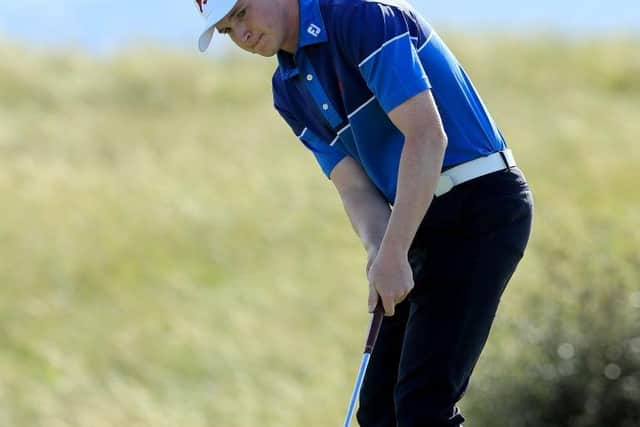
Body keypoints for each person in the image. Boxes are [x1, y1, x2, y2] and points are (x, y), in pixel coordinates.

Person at [192, 0, 534, 425]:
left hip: (478, 202)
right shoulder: (288, 89)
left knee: (422, 405)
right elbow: (353, 186)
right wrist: (380, 251)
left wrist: (394, 252)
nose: (240, 34)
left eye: (241, 12)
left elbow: (427, 137)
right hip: (416, 223)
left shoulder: (360, 17)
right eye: (226, 29)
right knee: (379, 411)